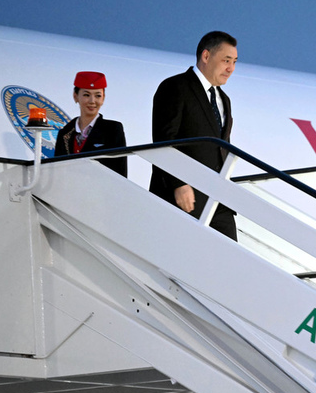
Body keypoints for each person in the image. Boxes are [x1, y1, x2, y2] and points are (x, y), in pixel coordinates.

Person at [149, 31, 238, 240]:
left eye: (234, 62)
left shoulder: (224, 99)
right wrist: (178, 183)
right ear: (206, 56)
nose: (231, 68)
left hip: (219, 200)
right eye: (226, 60)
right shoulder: (175, 87)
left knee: (229, 257)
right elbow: (164, 141)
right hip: (184, 197)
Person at [54, 71, 127, 177]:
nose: (92, 101)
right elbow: (58, 173)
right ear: (75, 96)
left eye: (98, 96)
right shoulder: (65, 133)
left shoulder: (112, 130)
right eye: (86, 95)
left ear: (103, 98)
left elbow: (120, 172)